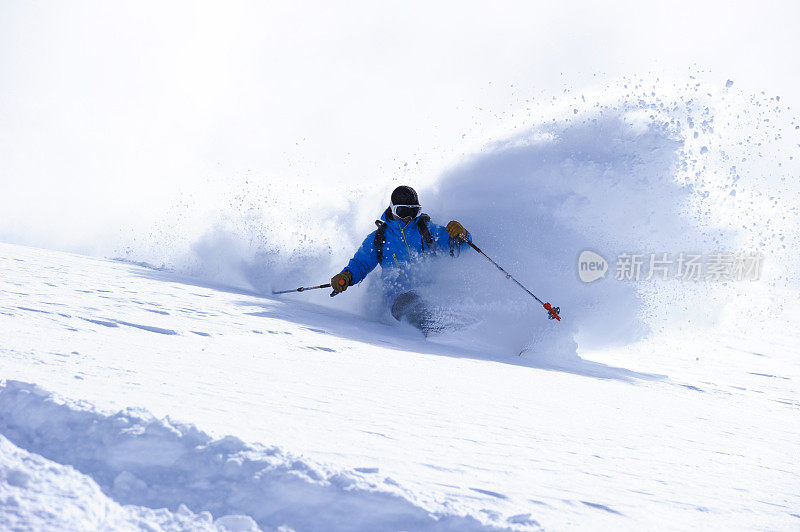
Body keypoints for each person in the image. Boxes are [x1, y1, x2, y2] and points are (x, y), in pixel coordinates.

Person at [330, 185, 471, 333]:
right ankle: (437, 331)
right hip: (396, 298)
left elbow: (460, 245)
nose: (408, 217)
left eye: (413, 211)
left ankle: (461, 329)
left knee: (435, 300)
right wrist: (347, 275)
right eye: (403, 211)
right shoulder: (380, 238)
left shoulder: (427, 230)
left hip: (430, 292)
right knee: (406, 302)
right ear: (392, 209)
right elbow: (361, 263)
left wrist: (462, 234)